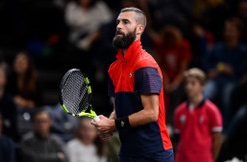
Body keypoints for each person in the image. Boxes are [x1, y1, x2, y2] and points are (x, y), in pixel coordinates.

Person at [91, 7, 174, 162]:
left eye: (125, 22)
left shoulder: (145, 65)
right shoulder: (113, 68)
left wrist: (114, 125)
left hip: (154, 153)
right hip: (128, 152)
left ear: (139, 29)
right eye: (118, 22)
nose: (118, 26)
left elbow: (151, 113)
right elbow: (117, 109)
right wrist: (107, 125)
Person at [204, 17, 247, 129]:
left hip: (232, 82)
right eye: (226, 29)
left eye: (231, 30)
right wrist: (219, 68)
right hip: (216, 80)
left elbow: (241, 71)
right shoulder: (217, 48)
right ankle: (202, 124)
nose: (228, 32)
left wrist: (230, 70)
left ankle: (223, 129)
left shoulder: (243, 51)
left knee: (227, 96)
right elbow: (208, 65)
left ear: (238, 32)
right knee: (205, 94)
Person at [174, 68, 222, 162]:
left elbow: (217, 140)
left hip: (203, 159)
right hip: (182, 159)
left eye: (193, 83)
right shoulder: (179, 111)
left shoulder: (212, 110)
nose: (189, 87)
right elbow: (177, 139)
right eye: (187, 83)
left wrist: (212, 159)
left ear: (202, 86)